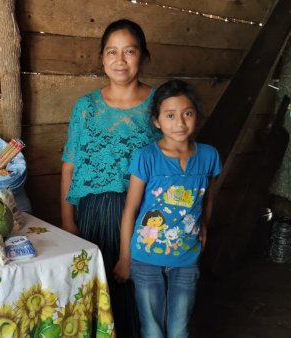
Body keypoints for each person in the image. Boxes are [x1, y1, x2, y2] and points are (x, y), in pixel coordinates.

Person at [60, 19, 159, 337]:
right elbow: (69, 165)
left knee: (137, 297)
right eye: (112, 52)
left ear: (143, 55)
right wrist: (68, 222)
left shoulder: (160, 106)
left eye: (129, 51)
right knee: (97, 293)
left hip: (144, 215)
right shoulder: (86, 108)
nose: (120, 60)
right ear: (102, 58)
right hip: (92, 215)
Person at [113, 79, 222, 338]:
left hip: (186, 258)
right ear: (157, 121)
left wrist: (204, 224)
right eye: (170, 115)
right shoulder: (147, 157)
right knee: (152, 328)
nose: (180, 123)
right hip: (145, 258)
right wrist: (125, 258)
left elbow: (207, 198)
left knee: (179, 329)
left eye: (188, 113)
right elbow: (130, 210)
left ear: (197, 116)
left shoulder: (209, 156)